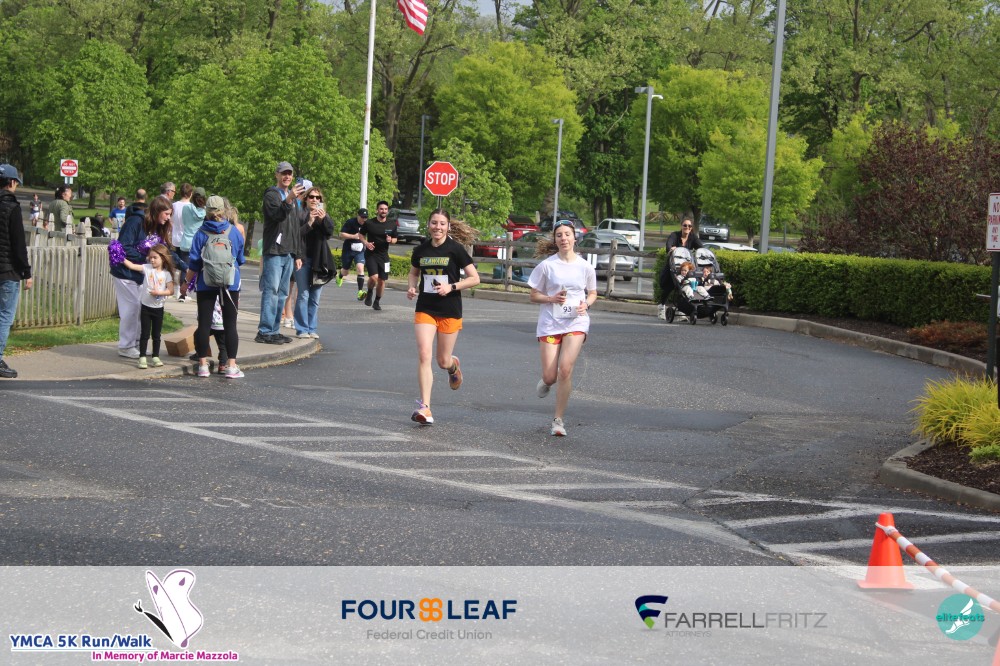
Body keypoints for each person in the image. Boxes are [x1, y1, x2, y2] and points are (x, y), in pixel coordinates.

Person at [406, 209, 480, 425]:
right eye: (434, 223)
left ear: (448, 226)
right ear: (428, 225)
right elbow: (413, 273)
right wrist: (411, 287)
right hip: (426, 308)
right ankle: (425, 407)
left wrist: (451, 286)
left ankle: (453, 366)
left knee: (442, 360)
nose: (437, 227)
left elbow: (475, 278)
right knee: (424, 354)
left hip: (450, 309)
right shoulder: (421, 249)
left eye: (442, 223)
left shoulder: (455, 249)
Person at [529, 219, 598, 437]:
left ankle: (558, 420)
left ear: (575, 238)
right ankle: (547, 381)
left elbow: (593, 292)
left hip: (576, 321)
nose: (564, 238)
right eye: (559, 235)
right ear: (555, 240)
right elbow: (533, 295)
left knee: (565, 369)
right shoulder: (547, 266)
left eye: (567, 234)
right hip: (550, 323)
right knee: (551, 376)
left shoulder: (585, 266)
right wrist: (551, 298)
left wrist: (586, 305)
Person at [185, 195, 246, 379]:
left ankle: (203, 366)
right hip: (230, 283)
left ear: (207, 211)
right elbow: (240, 259)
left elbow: (194, 263)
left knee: (204, 324)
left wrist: (185, 283)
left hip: (206, 282)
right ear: (223, 210)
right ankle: (231, 366)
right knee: (230, 325)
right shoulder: (233, 232)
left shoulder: (201, 233)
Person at [111, 194, 166, 358]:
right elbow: (123, 246)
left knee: (141, 308)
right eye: (167, 214)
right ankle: (126, 346)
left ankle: (136, 343)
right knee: (131, 308)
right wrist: (146, 258)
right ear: (156, 212)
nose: (168, 218)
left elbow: (163, 250)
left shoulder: (153, 227)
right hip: (124, 272)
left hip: (139, 273)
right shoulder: (135, 222)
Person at [257, 161, 303, 345]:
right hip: (274, 252)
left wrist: (298, 254)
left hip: (288, 252)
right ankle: (264, 331)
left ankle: (274, 330)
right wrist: (289, 200)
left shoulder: (294, 199)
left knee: (283, 293)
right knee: (272, 291)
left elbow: (296, 228)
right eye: (284, 173)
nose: (287, 176)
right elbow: (276, 215)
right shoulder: (272, 195)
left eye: (289, 173)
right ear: (277, 175)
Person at [0, 164, 33, 379]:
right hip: (8, 270)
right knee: (4, 316)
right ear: (12, 182)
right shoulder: (12, 207)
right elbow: (19, 245)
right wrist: (26, 272)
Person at [122, 244, 175, 369]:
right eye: (150, 257)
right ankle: (142, 357)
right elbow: (132, 266)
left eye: (155, 257)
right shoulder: (147, 268)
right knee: (144, 334)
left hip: (158, 308)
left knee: (156, 334)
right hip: (146, 307)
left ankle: (155, 356)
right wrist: (120, 257)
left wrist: (159, 293)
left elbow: (171, 291)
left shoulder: (166, 274)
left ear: (163, 258)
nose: (152, 260)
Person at [292, 186, 335, 338]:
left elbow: (329, 233)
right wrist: (309, 222)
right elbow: (296, 236)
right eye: (311, 197)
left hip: (319, 261)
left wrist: (323, 220)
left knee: (315, 297)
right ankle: (302, 329)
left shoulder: (324, 215)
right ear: (306, 199)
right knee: (303, 295)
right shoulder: (300, 214)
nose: (315, 200)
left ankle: (312, 328)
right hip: (302, 258)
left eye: (318, 198)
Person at [659, 217, 704, 319]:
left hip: (685, 268)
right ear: (681, 226)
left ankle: (681, 310)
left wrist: (701, 253)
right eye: (685, 225)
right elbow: (669, 244)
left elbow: (701, 247)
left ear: (691, 228)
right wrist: (671, 249)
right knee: (669, 287)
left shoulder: (693, 237)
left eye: (689, 226)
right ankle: (661, 307)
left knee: (684, 287)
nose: (687, 227)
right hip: (673, 266)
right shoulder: (675, 235)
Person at [360, 200, 397, 311]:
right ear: (377, 210)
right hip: (371, 254)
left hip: (384, 256)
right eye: (381, 209)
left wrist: (391, 240)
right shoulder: (369, 223)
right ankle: (370, 292)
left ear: (387, 211)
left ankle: (377, 301)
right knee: (374, 277)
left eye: (385, 209)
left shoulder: (392, 224)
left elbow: (395, 239)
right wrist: (366, 243)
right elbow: (361, 234)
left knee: (382, 280)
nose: (383, 211)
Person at [178, 188, 206, 302]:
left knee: (185, 267)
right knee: (199, 268)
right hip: (198, 242)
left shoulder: (186, 208)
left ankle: (182, 294)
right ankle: (198, 290)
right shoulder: (205, 212)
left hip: (186, 240)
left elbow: (184, 222)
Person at [340, 208, 368, 299]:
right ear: (358, 216)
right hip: (348, 249)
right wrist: (353, 236)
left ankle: (360, 292)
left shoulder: (367, 224)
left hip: (360, 251)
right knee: (345, 271)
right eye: (362, 217)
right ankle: (340, 275)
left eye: (365, 217)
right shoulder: (350, 222)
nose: (364, 219)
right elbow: (341, 234)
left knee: (360, 267)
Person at [171, 183, 192, 249]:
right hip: (188, 240)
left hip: (176, 240)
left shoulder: (173, 206)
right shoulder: (193, 208)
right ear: (191, 194)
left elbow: (170, 221)